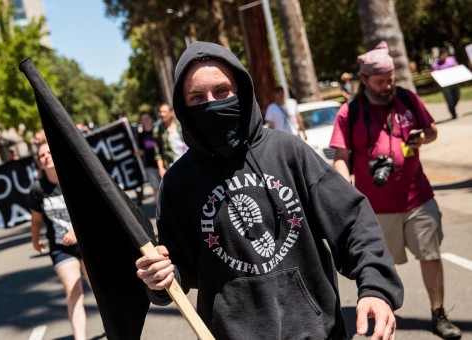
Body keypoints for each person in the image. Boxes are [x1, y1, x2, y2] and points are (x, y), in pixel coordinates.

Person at [134, 41, 403, 339]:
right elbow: (176, 274)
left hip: (318, 333)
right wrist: (157, 279)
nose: (211, 103)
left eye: (222, 91)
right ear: (183, 106)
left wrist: (376, 288)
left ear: (241, 91)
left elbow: (352, 221)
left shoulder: (289, 152)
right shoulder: (177, 183)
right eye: (197, 97)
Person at [330, 41, 461, 339]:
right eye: (380, 81)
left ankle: (439, 314)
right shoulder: (349, 113)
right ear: (364, 80)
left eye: (391, 79)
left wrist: (422, 139)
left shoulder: (408, 99)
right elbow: (341, 157)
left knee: (430, 255)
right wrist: (344, 192)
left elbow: (432, 130)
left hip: (418, 198)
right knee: (378, 266)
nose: (388, 85)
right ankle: (384, 323)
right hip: (374, 208)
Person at [30, 142, 90, 340]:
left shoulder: (73, 179)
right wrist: (35, 240)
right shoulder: (38, 189)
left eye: (49, 152)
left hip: (86, 243)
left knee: (99, 289)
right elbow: (37, 219)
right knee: (73, 290)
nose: (46, 156)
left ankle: (116, 327)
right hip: (60, 247)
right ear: (39, 162)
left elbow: (90, 210)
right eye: (41, 155)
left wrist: (75, 231)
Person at [153, 103, 187, 177]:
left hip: (188, 160)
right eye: (160, 112)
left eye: (164, 111)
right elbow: (158, 153)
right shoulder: (158, 130)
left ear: (171, 112)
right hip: (173, 164)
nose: (161, 114)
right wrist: (161, 168)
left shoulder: (180, 124)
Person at [136, 111, 161, 200]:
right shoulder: (140, 136)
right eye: (143, 119)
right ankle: (161, 211)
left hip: (162, 162)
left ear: (150, 118)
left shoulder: (158, 130)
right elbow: (142, 149)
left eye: (147, 118)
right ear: (141, 121)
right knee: (156, 188)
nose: (146, 120)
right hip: (150, 165)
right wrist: (139, 152)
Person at [431, 47, 460, 119]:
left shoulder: (451, 59)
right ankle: (453, 113)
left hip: (454, 81)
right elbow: (435, 74)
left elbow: (456, 67)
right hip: (445, 85)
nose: (444, 55)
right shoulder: (436, 64)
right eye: (443, 54)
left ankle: (452, 107)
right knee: (449, 99)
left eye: (445, 54)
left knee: (457, 96)